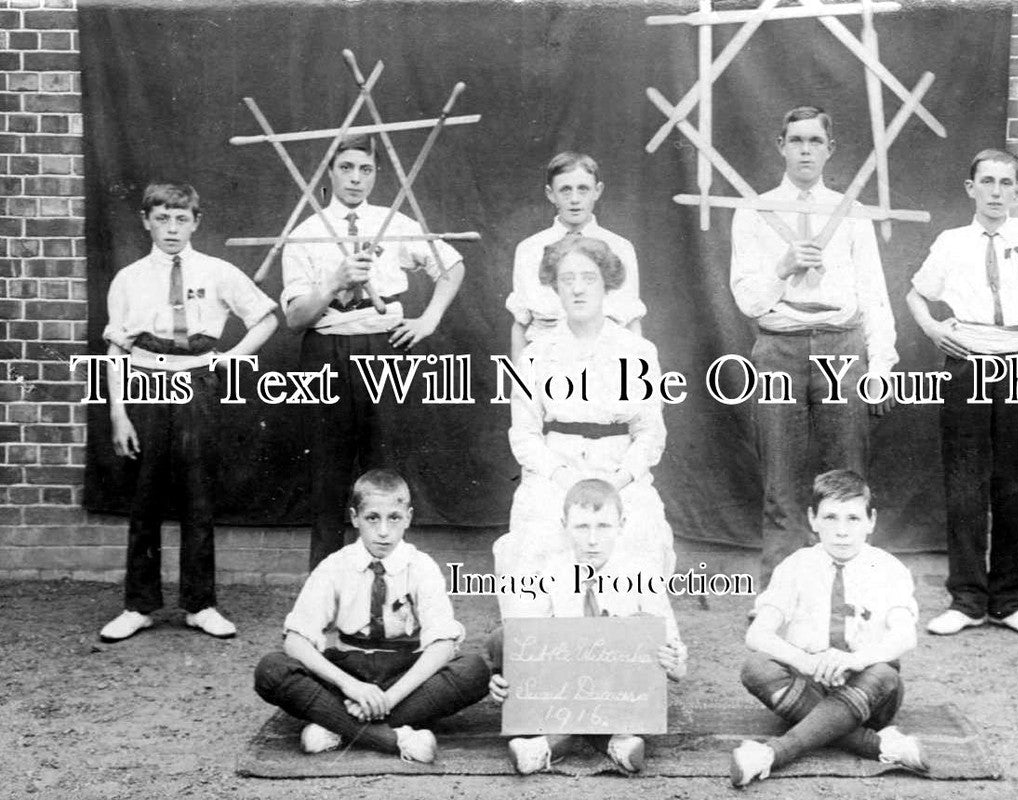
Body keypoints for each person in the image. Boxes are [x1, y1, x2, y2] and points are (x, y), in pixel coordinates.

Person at [99, 182, 278, 643]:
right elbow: (116, 347)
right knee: (146, 495)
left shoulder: (217, 271)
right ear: (146, 221)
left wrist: (232, 357)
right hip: (143, 381)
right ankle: (139, 605)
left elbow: (266, 317)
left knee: (198, 494)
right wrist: (119, 413)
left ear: (196, 222)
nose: (172, 228)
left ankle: (200, 604)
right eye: (162, 218)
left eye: (181, 219)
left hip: (197, 382)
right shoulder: (129, 278)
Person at [280, 133, 466, 569]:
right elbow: (294, 320)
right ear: (329, 173)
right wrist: (333, 283)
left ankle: (390, 582)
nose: (355, 178)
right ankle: (325, 589)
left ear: (376, 174)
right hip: (326, 350)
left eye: (365, 169)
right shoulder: (305, 233)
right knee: (328, 474)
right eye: (346, 168)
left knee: (386, 470)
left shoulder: (395, 222)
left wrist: (429, 318)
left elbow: (451, 265)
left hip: (384, 347)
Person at [729, 106, 898, 583]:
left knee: (845, 480)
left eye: (815, 142)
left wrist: (880, 368)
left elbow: (875, 297)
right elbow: (747, 299)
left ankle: (847, 591)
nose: (806, 150)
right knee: (780, 480)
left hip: (842, 348)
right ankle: (779, 596)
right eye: (797, 140)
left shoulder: (850, 212)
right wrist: (782, 266)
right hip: (778, 347)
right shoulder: (754, 211)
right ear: (781, 145)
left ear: (830, 149)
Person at [907, 149, 1018, 638]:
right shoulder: (951, 242)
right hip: (967, 363)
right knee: (965, 481)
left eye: (1006, 183)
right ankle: (968, 600)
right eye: (988, 182)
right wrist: (934, 330)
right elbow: (916, 293)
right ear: (970, 188)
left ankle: (1009, 601)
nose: (997, 192)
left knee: (1015, 483)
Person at [253, 469, 490, 760]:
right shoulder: (335, 565)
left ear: (409, 518)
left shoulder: (421, 566)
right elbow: (295, 640)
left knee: (476, 670)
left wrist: (389, 698)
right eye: (372, 518)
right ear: (355, 518)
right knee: (271, 669)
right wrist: (349, 685)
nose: (383, 532)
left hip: (403, 675)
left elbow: (442, 645)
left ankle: (337, 725)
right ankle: (396, 739)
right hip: (348, 673)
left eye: (394, 518)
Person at [495, 236, 674, 608]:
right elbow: (524, 435)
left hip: (618, 472)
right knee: (536, 533)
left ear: (606, 283)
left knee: (641, 527)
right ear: (554, 287)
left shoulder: (637, 351)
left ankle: (627, 642)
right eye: (567, 279)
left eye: (589, 278)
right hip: (555, 474)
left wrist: (619, 480)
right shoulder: (535, 355)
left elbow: (649, 433)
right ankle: (540, 643)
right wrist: (563, 478)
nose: (577, 288)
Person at [730, 469, 926, 786]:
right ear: (812, 519)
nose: (842, 531)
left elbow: (906, 635)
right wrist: (806, 661)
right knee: (755, 668)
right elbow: (757, 634)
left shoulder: (889, 568)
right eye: (830, 518)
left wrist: (853, 660)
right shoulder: (795, 565)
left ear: (871, 521)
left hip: (870, 691)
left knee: (886, 673)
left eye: (853, 519)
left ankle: (772, 754)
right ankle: (878, 745)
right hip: (810, 684)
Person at [487, 479, 688, 774]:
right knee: (502, 638)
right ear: (564, 525)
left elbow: (679, 669)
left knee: (639, 627)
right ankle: (614, 744)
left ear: (621, 524)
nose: (592, 540)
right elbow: (522, 645)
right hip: (564, 687)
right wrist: (500, 680)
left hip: (617, 691)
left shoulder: (642, 574)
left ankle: (546, 746)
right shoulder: (550, 572)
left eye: (604, 526)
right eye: (582, 527)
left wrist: (671, 659)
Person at [506, 151, 645, 360]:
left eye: (583, 189)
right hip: (548, 364)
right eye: (565, 190)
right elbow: (521, 323)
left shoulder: (621, 248)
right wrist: (520, 387)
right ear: (550, 194)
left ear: (597, 191)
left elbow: (632, 321)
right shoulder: (529, 250)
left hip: (607, 363)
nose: (574, 199)